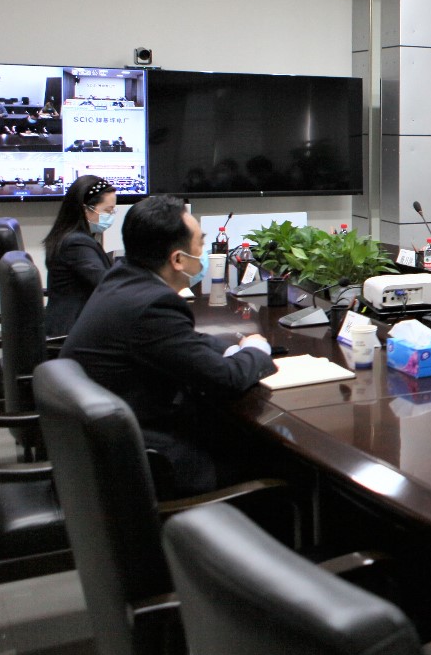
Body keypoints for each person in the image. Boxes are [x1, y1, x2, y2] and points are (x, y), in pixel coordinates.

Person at [60, 194, 274, 496]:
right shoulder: (154, 306)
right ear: (177, 259)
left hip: (100, 453)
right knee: (273, 458)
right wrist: (256, 350)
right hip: (147, 464)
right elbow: (226, 379)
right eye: (200, 244)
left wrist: (227, 349)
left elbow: (180, 341)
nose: (203, 252)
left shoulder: (122, 278)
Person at [43, 175, 117, 336]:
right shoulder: (76, 244)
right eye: (107, 210)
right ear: (85, 209)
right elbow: (105, 283)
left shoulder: (72, 237)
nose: (111, 216)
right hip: (72, 332)